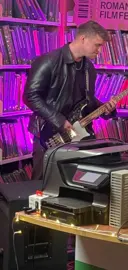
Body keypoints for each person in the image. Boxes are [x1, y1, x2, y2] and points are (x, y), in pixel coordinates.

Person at [23, 20, 117, 181]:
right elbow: (30, 96)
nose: (99, 51)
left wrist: (104, 109)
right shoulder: (48, 61)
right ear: (82, 39)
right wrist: (59, 120)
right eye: (97, 45)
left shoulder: (89, 69)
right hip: (48, 133)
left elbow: (85, 101)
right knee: (43, 183)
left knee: (76, 183)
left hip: (76, 134)